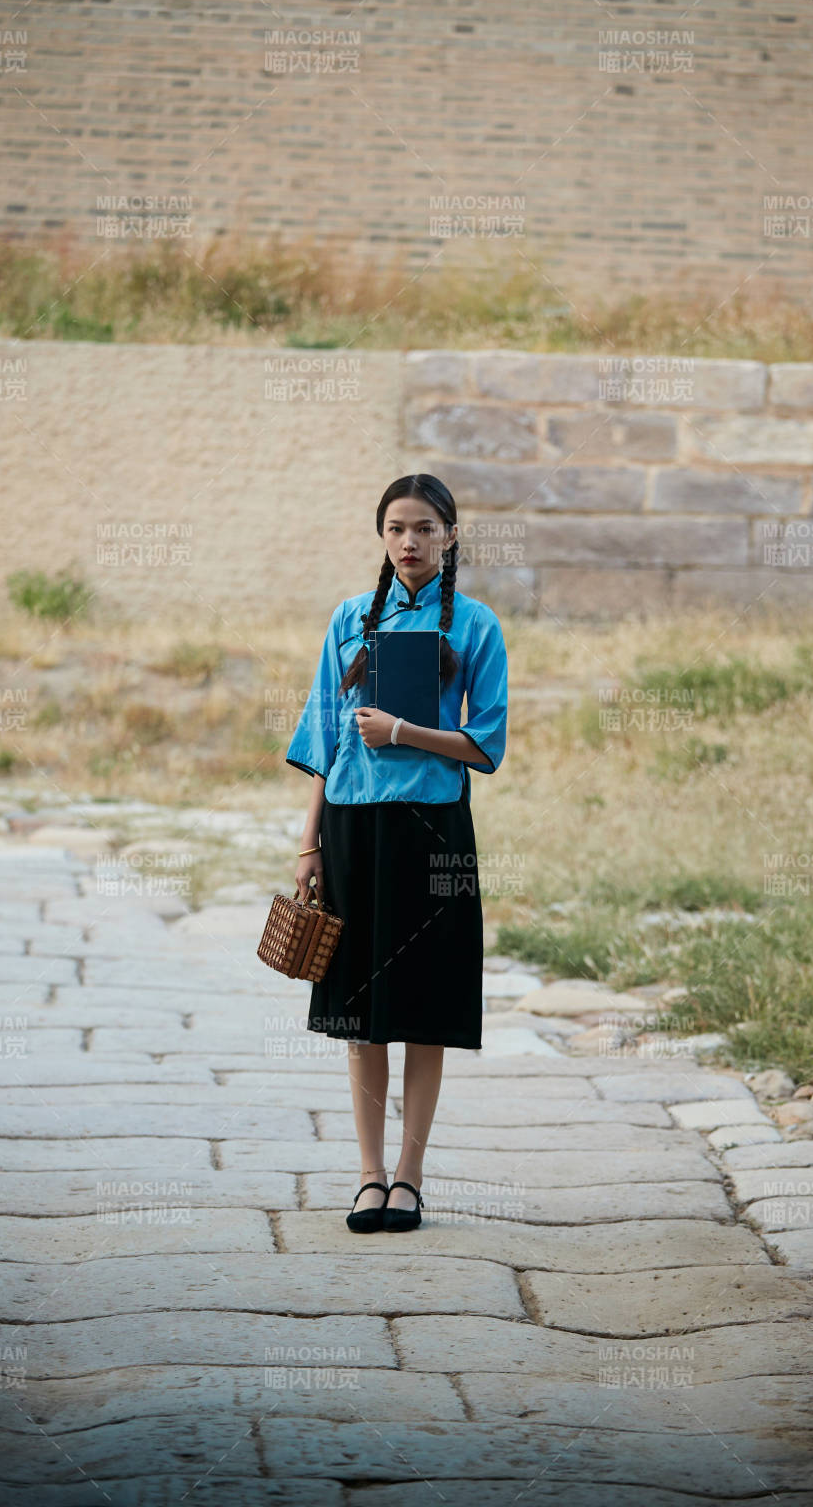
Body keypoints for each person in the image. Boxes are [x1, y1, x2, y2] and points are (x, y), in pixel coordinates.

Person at [285, 474, 508, 1234]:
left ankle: (410, 1178)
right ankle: (367, 1176)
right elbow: (322, 735)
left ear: (450, 535)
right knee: (362, 1014)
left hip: (434, 830)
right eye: (395, 529)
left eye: (423, 528)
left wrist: (404, 733)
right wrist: (308, 843)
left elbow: (486, 743)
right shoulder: (348, 616)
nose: (409, 542)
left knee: (425, 1007)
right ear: (382, 537)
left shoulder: (476, 624)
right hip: (352, 829)